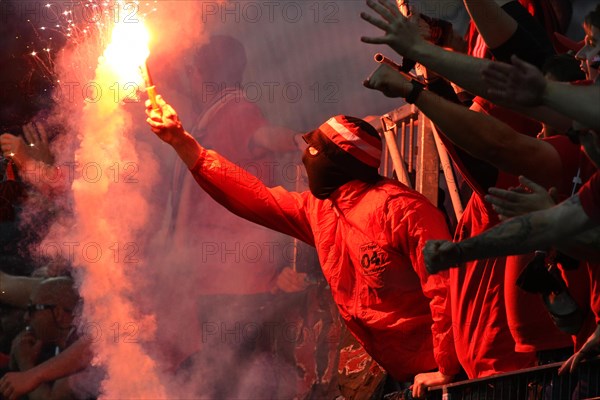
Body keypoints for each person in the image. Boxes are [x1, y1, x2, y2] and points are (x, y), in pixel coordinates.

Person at [146, 96, 460, 398]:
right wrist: (183, 143)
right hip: (391, 370)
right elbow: (254, 198)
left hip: (437, 375)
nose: (304, 154)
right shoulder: (322, 209)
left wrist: (446, 368)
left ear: (336, 162)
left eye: (313, 148)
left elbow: (447, 290)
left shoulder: (404, 211)